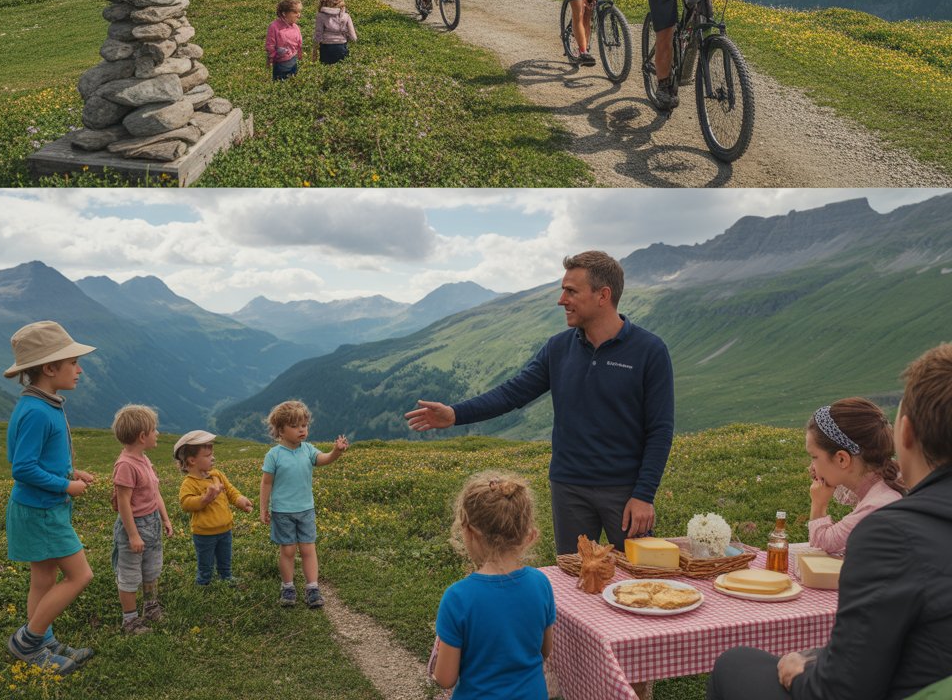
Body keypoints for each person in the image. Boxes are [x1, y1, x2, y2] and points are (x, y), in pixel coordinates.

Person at [707, 343, 952, 700]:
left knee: (735, 662)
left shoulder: (888, 533)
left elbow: (839, 691)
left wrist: (800, 673)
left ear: (908, 433)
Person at [405, 250, 674, 553]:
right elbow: (512, 393)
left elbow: (660, 430)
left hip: (626, 493)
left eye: (571, 291)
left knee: (642, 582)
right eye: (563, 290)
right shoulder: (558, 348)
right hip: (569, 487)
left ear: (603, 295)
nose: (562, 299)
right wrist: (455, 414)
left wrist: (644, 494)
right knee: (574, 581)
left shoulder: (649, 351)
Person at [3, 320, 96, 674]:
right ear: (49, 367)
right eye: (73, 362)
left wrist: (71, 473)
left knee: (43, 580)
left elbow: (41, 459)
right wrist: (65, 486)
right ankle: (28, 642)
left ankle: (44, 642)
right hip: (42, 511)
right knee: (80, 576)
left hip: (40, 508)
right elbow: (22, 468)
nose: (79, 368)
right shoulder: (38, 412)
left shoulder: (43, 404)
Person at [431, 472, 556, 699]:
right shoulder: (541, 583)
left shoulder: (457, 598)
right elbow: (545, 650)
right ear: (523, 531)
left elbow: (445, 678)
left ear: (470, 532)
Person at [259, 400, 349, 609]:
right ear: (280, 430)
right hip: (282, 512)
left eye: (304, 425)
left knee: (309, 549)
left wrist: (336, 451)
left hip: (306, 509)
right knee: (288, 551)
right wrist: (263, 508)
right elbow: (266, 482)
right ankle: (288, 586)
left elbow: (324, 459)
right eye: (295, 426)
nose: (302, 430)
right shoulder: (274, 455)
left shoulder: (308, 449)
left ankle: (312, 588)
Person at [802, 397, 903, 557]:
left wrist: (818, 504)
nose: (811, 467)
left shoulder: (877, 506)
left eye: (814, 457)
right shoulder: (883, 485)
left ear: (842, 459)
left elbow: (824, 544)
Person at [110, 404, 174, 635]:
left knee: (151, 569)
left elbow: (155, 493)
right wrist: (133, 535)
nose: (158, 434)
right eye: (154, 430)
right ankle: (130, 620)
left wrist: (165, 519)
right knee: (129, 574)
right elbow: (123, 503)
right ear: (142, 436)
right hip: (134, 527)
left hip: (152, 522)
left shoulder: (143, 459)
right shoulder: (126, 464)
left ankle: (150, 607)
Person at [175, 430, 253, 586]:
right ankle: (203, 581)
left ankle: (226, 576)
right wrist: (205, 499)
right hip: (204, 533)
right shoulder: (189, 483)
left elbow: (230, 490)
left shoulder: (217, 474)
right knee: (206, 561)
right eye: (207, 456)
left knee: (225, 556)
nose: (213, 458)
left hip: (225, 529)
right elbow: (186, 503)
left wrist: (239, 499)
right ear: (192, 460)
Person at [313, 0, 358, 64]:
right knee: (340, 70)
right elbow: (354, 37)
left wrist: (315, 50)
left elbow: (318, 34)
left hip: (326, 48)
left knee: (326, 71)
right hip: (341, 47)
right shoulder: (346, 16)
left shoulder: (320, 16)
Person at [265, 0, 303, 81]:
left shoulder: (295, 27)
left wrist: (300, 54)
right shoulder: (274, 27)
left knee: (292, 81)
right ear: (284, 13)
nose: (298, 15)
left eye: (299, 12)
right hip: (280, 63)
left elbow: (299, 43)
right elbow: (270, 45)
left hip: (293, 60)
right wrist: (270, 59)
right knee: (280, 83)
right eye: (295, 12)